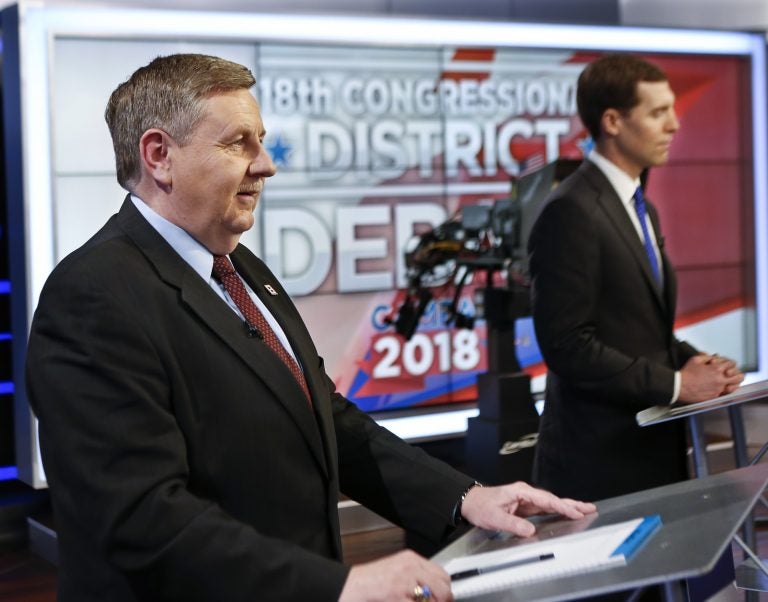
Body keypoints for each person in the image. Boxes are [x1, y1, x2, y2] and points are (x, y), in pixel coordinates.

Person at [25, 53, 594, 602]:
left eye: (262, 140)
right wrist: (339, 586)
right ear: (158, 156)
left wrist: (466, 497)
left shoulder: (240, 268)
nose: (266, 163)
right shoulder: (92, 296)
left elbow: (325, 418)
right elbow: (141, 517)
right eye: (237, 143)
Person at [528, 53, 745, 503]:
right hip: (597, 466)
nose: (674, 125)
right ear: (612, 121)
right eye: (658, 112)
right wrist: (679, 385)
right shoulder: (571, 210)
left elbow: (636, 327)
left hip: (650, 450)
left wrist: (698, 362)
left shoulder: (639, 206)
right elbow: (568, 345)